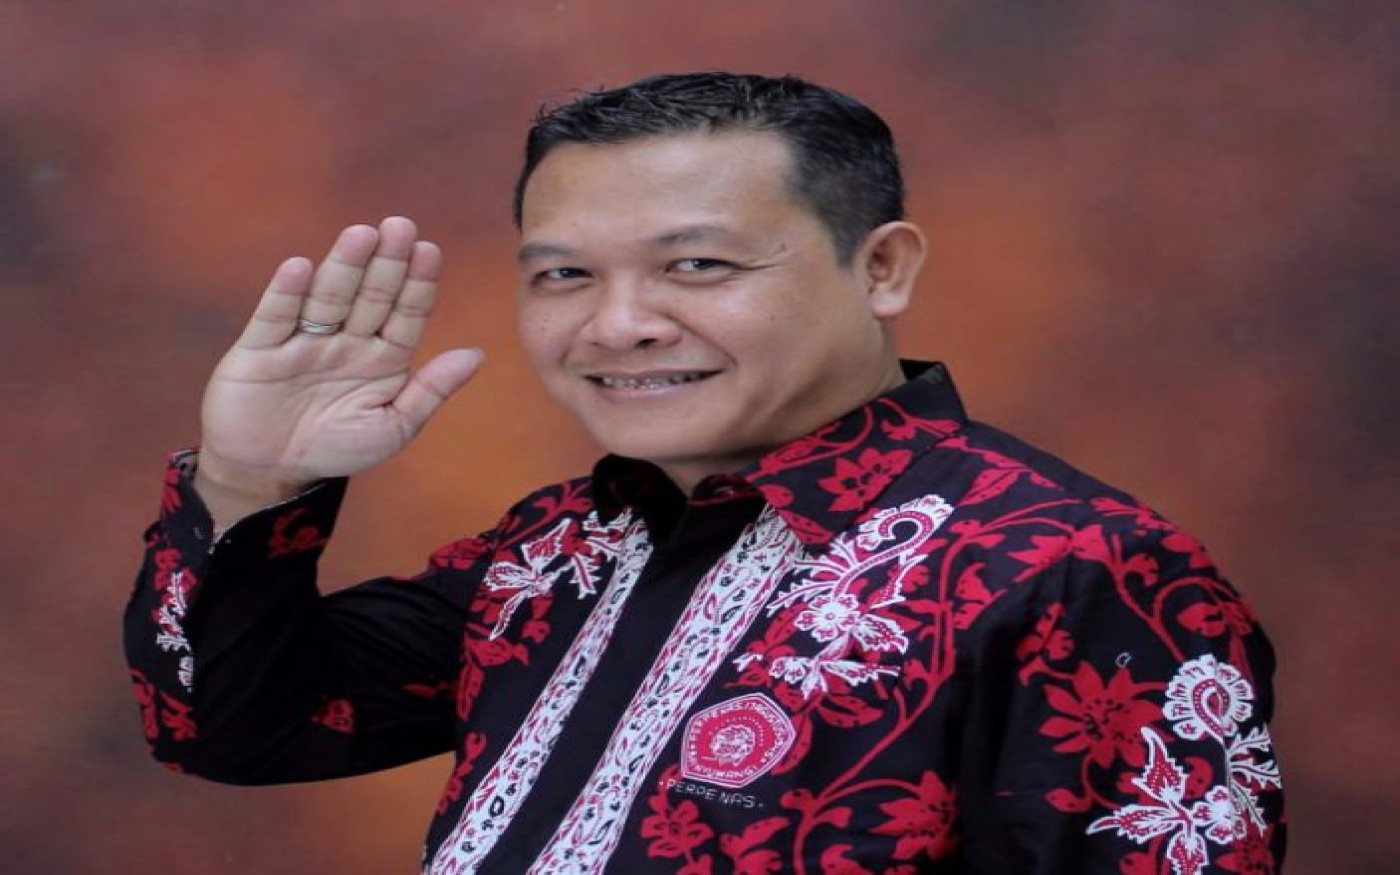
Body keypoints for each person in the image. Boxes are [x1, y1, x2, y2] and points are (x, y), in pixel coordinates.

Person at [124, 72, 1285, 873]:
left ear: (880, 267)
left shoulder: (1072, 570)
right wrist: (249, 481)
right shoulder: (561, 546)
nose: (616, 323)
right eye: (564, 274)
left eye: (696, 264)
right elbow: (236, 728)